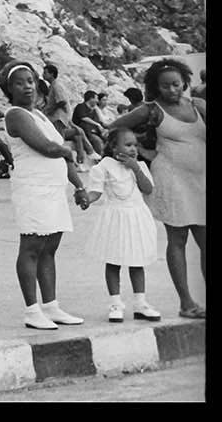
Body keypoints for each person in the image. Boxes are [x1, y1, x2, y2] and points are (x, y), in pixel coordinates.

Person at [105, 58, 207, 319]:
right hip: (171, 181)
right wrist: (138, 150)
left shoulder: (198, 106)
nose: (172, 90)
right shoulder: (151, 110)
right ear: (156, 87)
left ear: (185, 82)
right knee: (178, 239)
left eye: (176, 84)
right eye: (165, 86)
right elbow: (114, 127)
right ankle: (187, 303)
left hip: (201, 180)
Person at [0, 61, 95, 330]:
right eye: (19, 83)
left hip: (53, 189)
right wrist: (66, 151)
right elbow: (48, 148)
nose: (27, 87)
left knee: (50, 247)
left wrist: (78, 186)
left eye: (30, 81)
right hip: (32, 188)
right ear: (9, 88)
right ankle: (32, 310)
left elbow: (61, 154)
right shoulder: (15, 115)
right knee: (31, 246)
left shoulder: (40, 115)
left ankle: (51, 306)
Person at [84, 128, 161, 323]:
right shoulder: (104, 166)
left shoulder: (139, 166)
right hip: (115, 218)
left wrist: (135, 168)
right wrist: (86, 199)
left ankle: (140, 303)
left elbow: (148, 189)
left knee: (137, 261)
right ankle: (115, 303)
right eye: (128, 145)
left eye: (135, 145)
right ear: (113, 146)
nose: (133, 149)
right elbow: (95, 192)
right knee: (113, 260)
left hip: (136, 217)